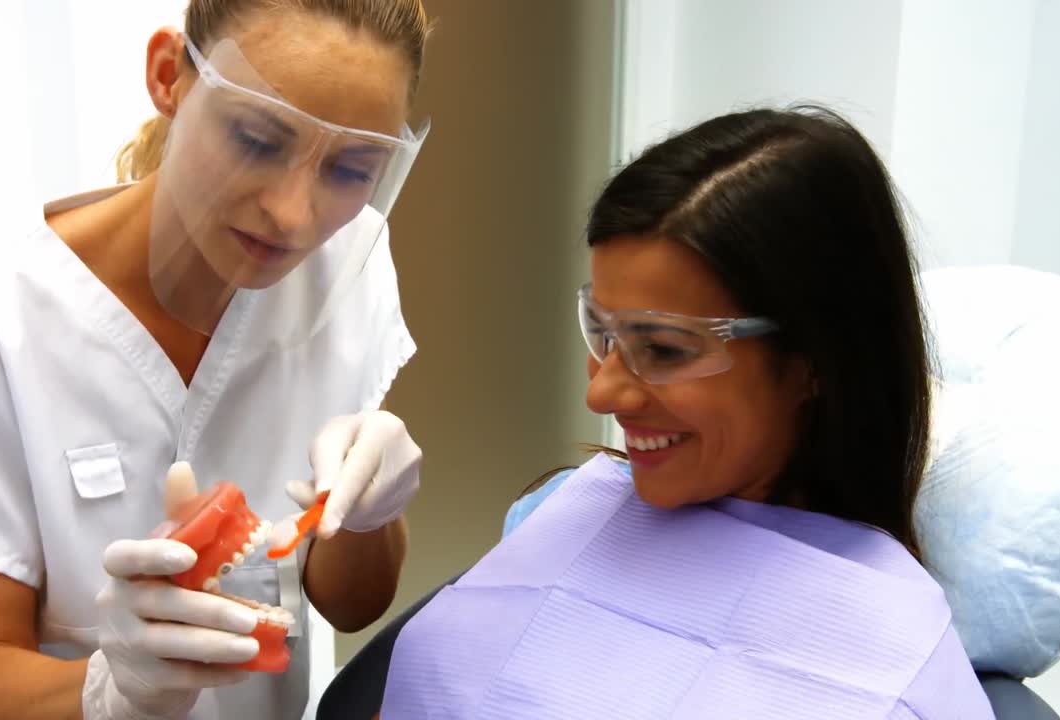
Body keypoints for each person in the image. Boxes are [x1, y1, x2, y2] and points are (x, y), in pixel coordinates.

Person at [0, 1, 432, 718]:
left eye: (353, 169)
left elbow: (353, 604)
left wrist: (369, 514)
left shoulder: (351, 267)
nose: (294, 215)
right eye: (257, 141)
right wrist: (113, 687)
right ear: (169, 77)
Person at [370, 107, 995, 718]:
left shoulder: (897, 669)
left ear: (813, 361)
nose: (602, 395)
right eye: (602, 332)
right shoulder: (557, 514)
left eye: (664, 348)